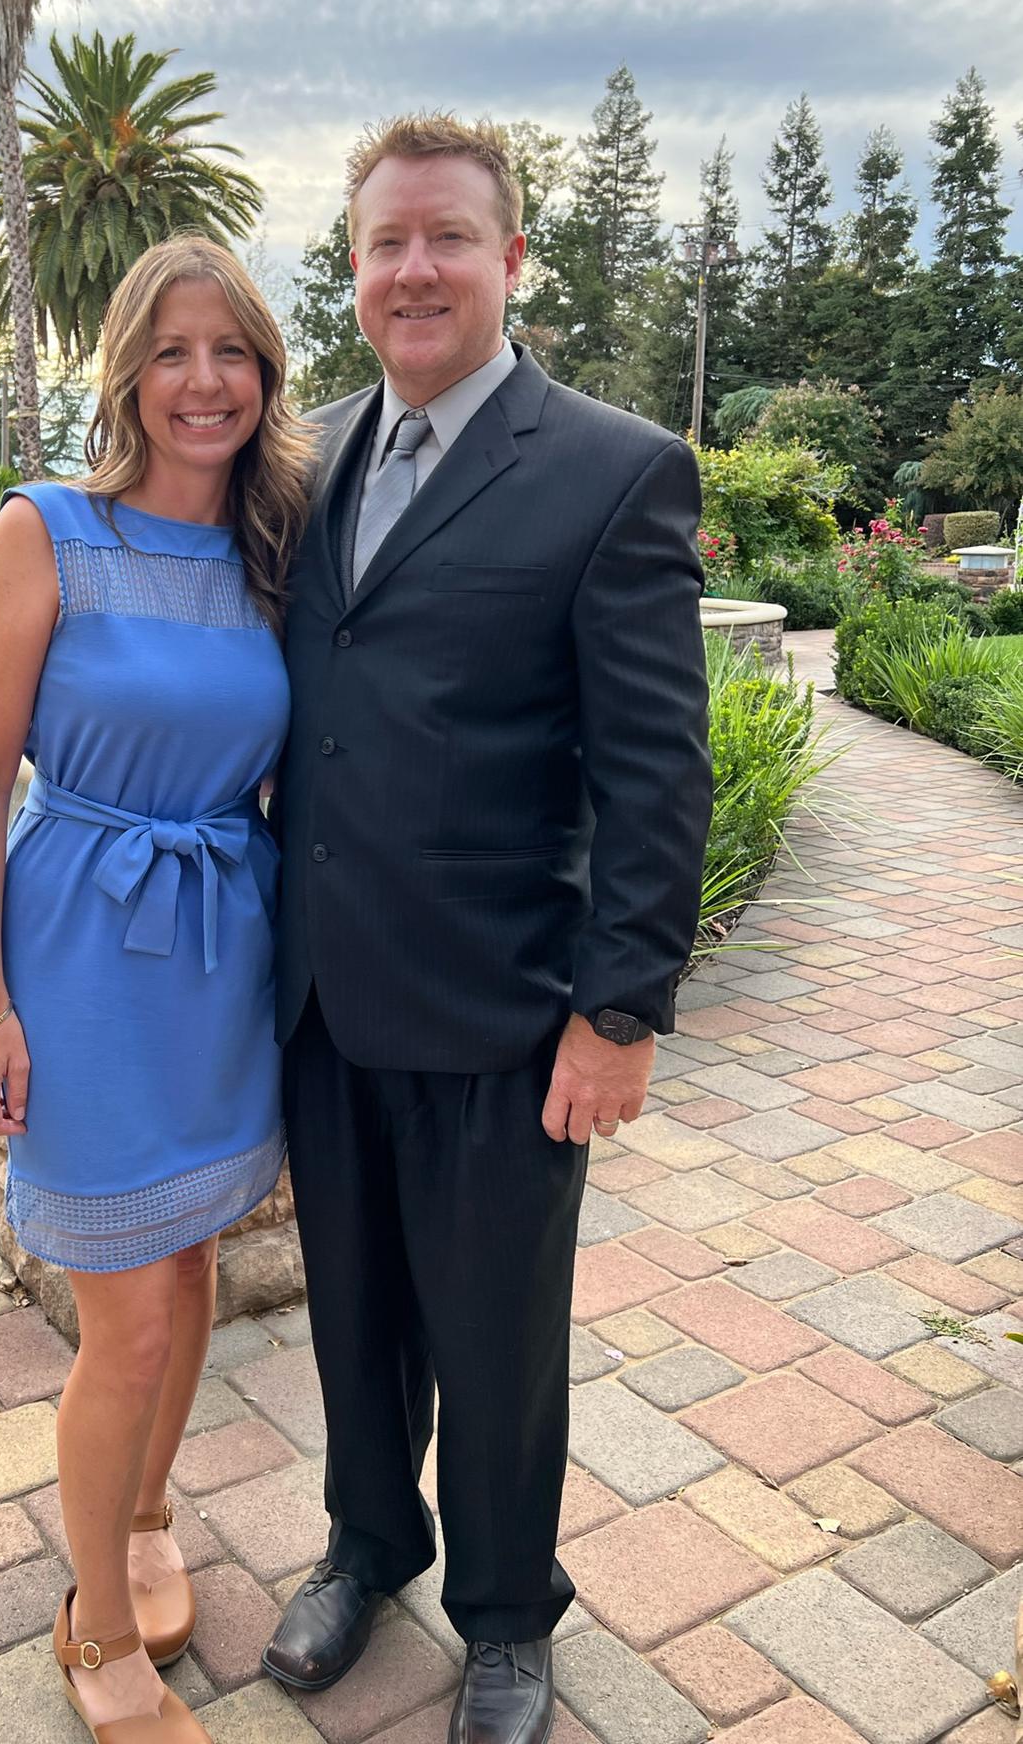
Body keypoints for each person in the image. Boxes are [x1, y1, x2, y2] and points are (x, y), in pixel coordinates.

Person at [264, 116, 712, 1744]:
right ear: (354, 268)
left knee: (499, 1339)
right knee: (352, 1310)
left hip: (505, 1013)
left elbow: (657, 767)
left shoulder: (612, 470)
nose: (416, 269)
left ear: (512, 259)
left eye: (448, 237)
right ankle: (367, 1543)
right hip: (323, 999)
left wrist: (621, 1009)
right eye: (386, 242)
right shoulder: (302, 461)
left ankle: (509, 1613)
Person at [0, 235, 310, 1744]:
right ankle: (96, 1629)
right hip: (82, 957)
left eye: (229, 352)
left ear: (264, 372)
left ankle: (147, 1513)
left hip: (222, 954)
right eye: (170, 351)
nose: (201, 382)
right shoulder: (47, 531)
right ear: (127, 374)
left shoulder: (277, 554)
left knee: (193, 1258)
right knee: (130, 1324)